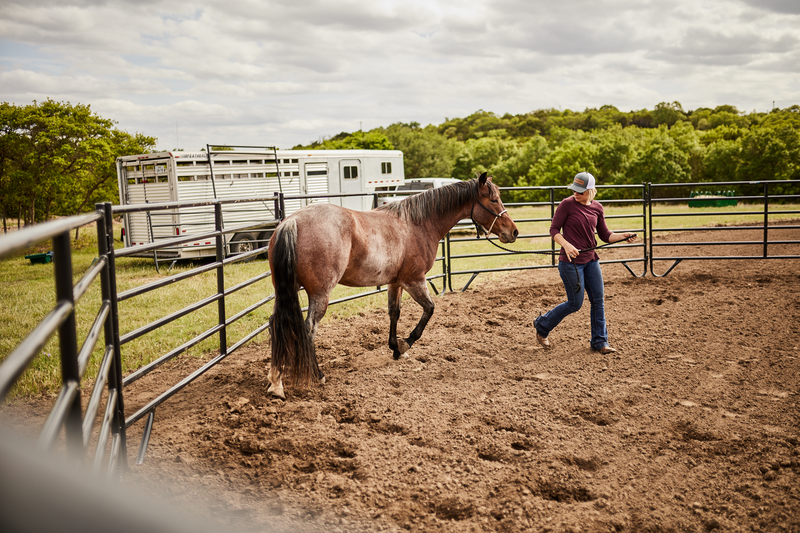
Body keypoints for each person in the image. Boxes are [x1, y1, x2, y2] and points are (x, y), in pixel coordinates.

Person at [534, 172, 637, 354]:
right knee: (575, 304)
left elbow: (605, 235)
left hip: (591, 260)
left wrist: (623, 236)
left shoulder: (597, 208)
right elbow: (554, 229)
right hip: (570, 263)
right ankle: (542, 325)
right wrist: (566, 244)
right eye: (574, 189)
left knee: (598, 300)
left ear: (590, 190)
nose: (576, 193)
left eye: (580, 191)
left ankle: (600, 341)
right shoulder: (567, 204)